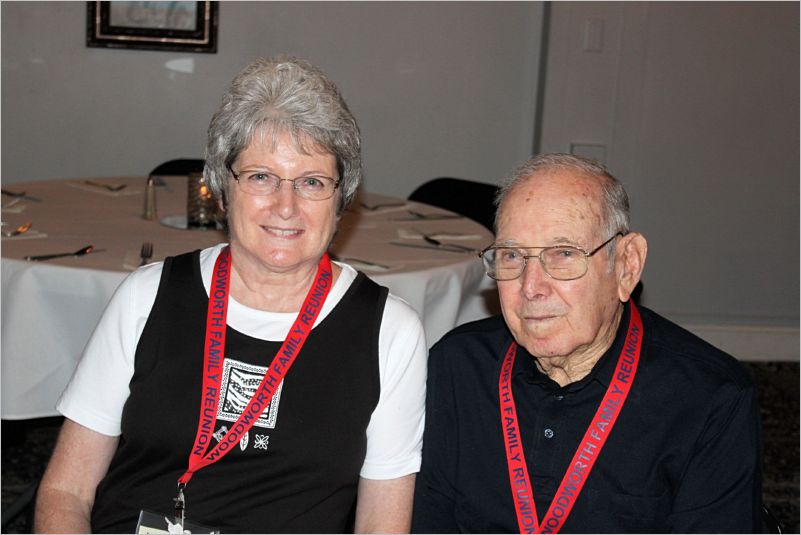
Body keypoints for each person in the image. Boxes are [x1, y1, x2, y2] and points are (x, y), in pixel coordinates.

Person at [34, 57, 427, 534]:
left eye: (312, 182)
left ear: (341, 200)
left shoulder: (388, 331)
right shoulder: (146, 297)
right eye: (261, 177)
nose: (286, 206)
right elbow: (67, 491)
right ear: (222, 189)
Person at [411, 153, 762, 533]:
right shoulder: (458, 367)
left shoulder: (709, 398)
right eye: (512, 255)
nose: (530, 287)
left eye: (563, 254)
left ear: (626, 265)